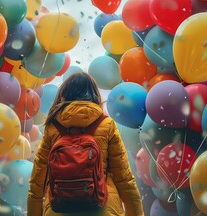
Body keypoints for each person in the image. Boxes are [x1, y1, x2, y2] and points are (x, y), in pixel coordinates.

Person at [27, 72, 144, 216]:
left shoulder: (53, 126)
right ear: (94, 94)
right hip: (104, 208)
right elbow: (124, 178)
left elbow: (37, 181)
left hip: (59, 208)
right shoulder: (106, 124)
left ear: (64, 94)